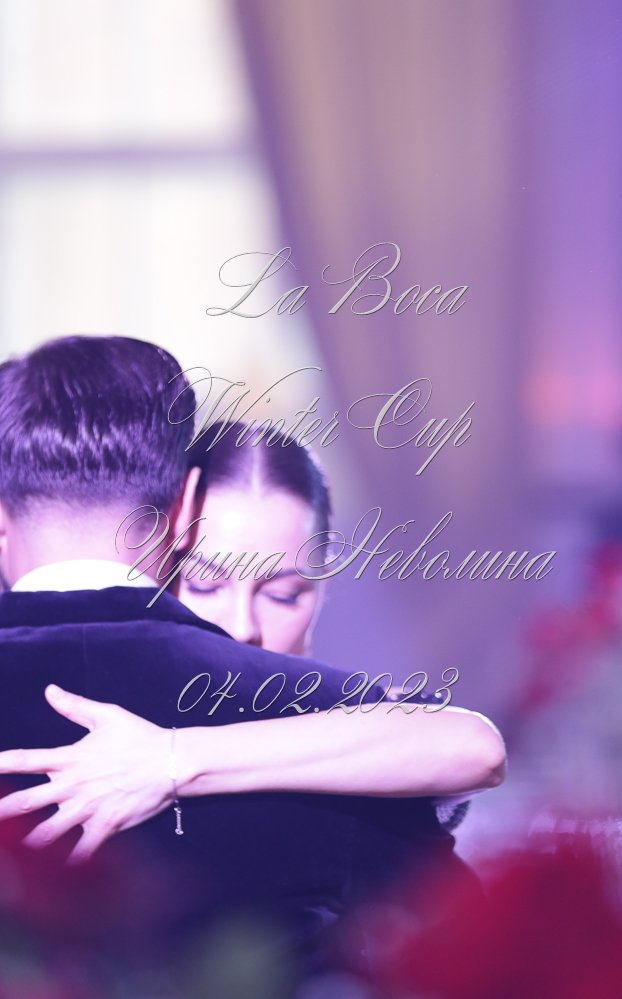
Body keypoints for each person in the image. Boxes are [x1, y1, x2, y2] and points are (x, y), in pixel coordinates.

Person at [0, 335, 504, 982]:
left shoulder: (341, 739)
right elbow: (470, 949)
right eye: (208, 581)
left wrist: (174, 757)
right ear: (184, 513)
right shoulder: (334, 744)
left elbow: (467, 748)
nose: (242, 627)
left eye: (282, 592)